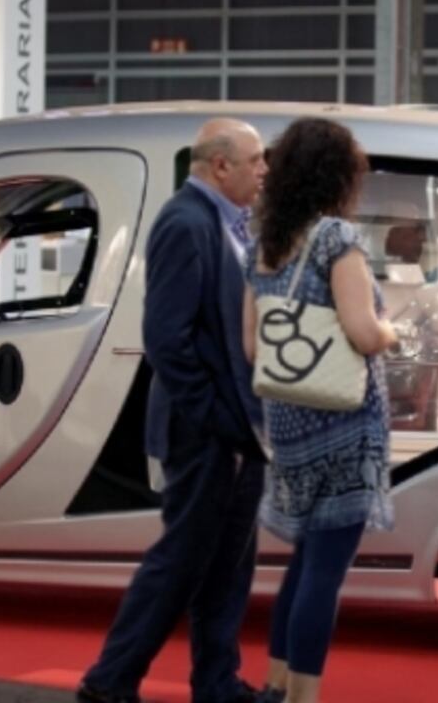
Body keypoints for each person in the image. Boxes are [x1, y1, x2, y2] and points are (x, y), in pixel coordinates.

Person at [76, 118, 268, 703]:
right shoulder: (185, 222)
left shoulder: (226, 223)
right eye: (256, 160)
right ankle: (110, 680)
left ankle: (216, 684)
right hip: (206, 430)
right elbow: (166, 339)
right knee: (181, 559)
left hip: (237, 430)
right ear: (220, 166)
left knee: (228, 567)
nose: (265, 171)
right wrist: (214, 417)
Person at [243, 117, 396, 703]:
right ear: (338, 176)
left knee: (305, 563)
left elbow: (253, 347)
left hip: (289, 424)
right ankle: (302, 697)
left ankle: (276, 686)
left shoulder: (266, 245)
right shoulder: (336, 240)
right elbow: (361, 331)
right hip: (345, 423)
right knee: (325, 572)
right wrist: (392, 330)